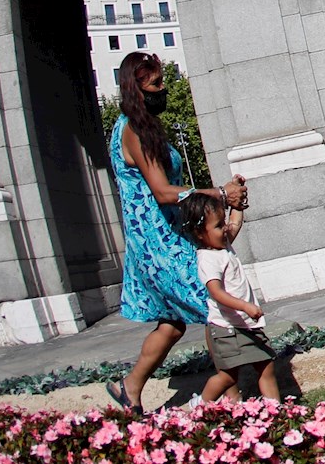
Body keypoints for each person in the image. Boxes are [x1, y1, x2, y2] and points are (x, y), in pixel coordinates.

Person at [105, 52, 248, 413]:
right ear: (135, 89)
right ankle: (231, 402)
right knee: (213, 302)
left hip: (160, 234)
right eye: (155, 84)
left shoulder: (138, 125)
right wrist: (219, 193)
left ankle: (129, 387)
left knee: (171, 322)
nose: (163, 89)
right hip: (158, 240)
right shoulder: (133, 130)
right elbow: (162, 193)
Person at [180, 189, 280, 403]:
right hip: (227, 328)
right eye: (218, 225)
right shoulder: (207, 259)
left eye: (222, 222)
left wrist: (237, 204)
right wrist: (245, 306)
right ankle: (201, 405)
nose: (225, 228)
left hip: (243, 324)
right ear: (199, 233)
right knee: (227, 377)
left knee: (266, 365)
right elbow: (216, 292)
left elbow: (235, 222)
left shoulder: (222, 245)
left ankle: (276, 411)